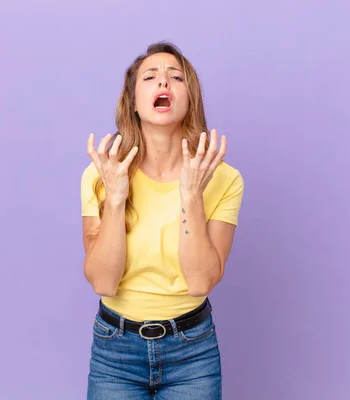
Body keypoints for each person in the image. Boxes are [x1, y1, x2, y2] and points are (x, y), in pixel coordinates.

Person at [80, 41, 244, 399]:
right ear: (134, 102)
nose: (163, 83)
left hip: (192, 352)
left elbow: (201, 280)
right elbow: (103, 281)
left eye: (176, 77)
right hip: (115, 351)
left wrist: (190, 195)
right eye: (150, 77)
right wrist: (117, 195)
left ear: (190, 99)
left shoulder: (224, 178)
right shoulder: (101, 174)